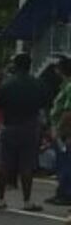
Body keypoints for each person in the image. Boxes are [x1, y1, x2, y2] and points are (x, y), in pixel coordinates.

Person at [0, 52, 46, 212]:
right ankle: (27, 201)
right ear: (29, 66)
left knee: (3, 163)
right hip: (30, 126)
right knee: (26, 166)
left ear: (15, 65)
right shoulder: (38, 84)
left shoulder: (7, 84)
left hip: (10, 125)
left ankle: (1, 199)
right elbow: (43, 103)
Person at [48, 58, 71, 206]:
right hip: (60, 129)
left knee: (66, 163)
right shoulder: (64, 85)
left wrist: (61, 129)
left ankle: (66, 193)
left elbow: (68, 112)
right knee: (61, 162)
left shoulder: (69, 87)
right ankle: (61, 191)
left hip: (66, 131)